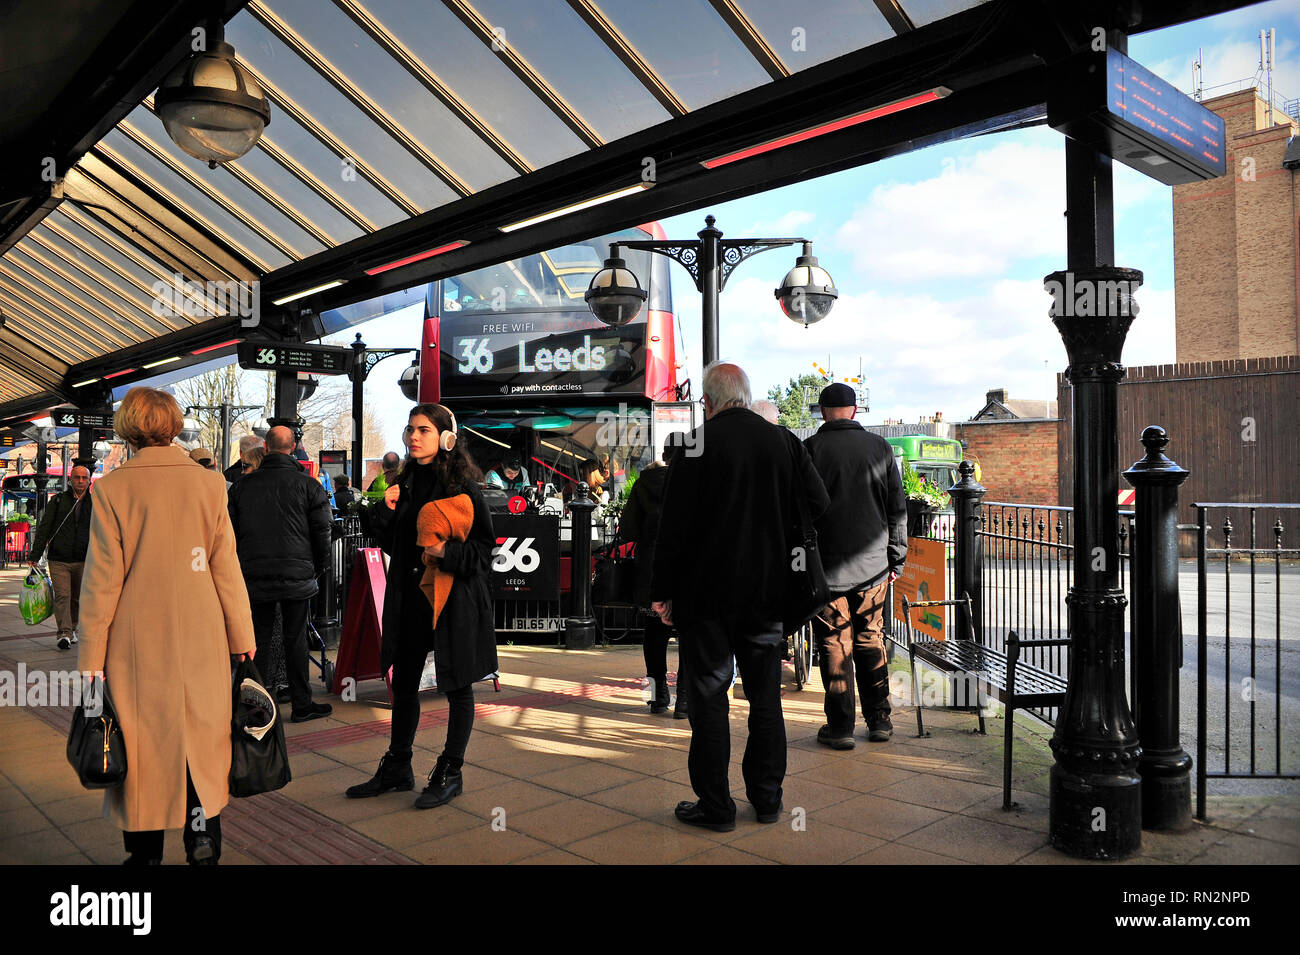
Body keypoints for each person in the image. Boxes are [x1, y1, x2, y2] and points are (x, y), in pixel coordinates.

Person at [77, 387, 256, 865]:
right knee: (201, 738)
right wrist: (243, 639)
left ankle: (145, 854)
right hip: (203, 637)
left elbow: (101, 583)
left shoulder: (112, 490)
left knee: (142, 744)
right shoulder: (210, 485)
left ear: (128, 427)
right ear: (173, 424)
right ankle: (202, 840)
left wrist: (91, 657)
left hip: (136, 643)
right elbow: (226, 568)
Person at [651, 362, 829, 831]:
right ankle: (767, 800)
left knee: (709, 698)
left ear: (707, 402)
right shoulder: (783, 440)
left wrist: (661, 592)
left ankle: (716, 806)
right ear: (746, 397)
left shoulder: (694, 444)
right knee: (765, 697)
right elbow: (819, 504)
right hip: (769, 594)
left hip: (704, 595)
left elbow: (672, 528)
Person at [346, 404, 497, 809]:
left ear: (446, 438)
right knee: (405, 683)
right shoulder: (406, 483)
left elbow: (484, 553)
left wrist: (445, 553)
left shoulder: (463, 489)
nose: (413, 437)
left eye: (424, 430)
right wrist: (386, 509)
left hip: (451, 602)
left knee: (458, 685)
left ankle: (451, 771)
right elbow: (385, 537)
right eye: (410, 429)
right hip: (411, 600)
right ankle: (398, 766)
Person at [804, 382, 908, 747]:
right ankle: (879, 720)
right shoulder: (879, 447)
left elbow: (797, 511)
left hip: (825, 568)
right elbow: (896, 508)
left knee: (834, 643)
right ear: (854, 411)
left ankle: (841, 728)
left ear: (823, 412)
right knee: (870, 638)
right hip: (873, 566)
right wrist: (897, 556)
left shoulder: (811, 449)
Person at [228, 426, 334, 723]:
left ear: (266, 446)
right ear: (294, 446)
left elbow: (230, 535)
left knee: (256, 639)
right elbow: (322, 531)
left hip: (254, 574)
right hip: (297, 574)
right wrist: (317, 566)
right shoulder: (308, 485)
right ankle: (302, 703)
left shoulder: (242, 487)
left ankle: (256, 707)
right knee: (295, 639)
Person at [618, 435, 685, 716]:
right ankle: (685, 701)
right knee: (689, 638)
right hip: (686, 570)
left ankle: (658, 697)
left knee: (654, 635)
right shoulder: (695, 483)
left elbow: (628, 529)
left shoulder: (646, 481)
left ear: (664, 453)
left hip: (652, 569)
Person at [28, 465, 93, 650]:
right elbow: (44, 528)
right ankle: (63, 633)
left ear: (89, 480)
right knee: (63, 595)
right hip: (59, 559)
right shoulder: (57, 501)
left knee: (77, 598)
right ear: (70, 479)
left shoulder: (94, 503)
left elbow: (101, 532)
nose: (80, 481)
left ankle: (72, 629)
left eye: (84, 478)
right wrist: (35, 555)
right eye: (77, 477)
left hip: (83, 559)